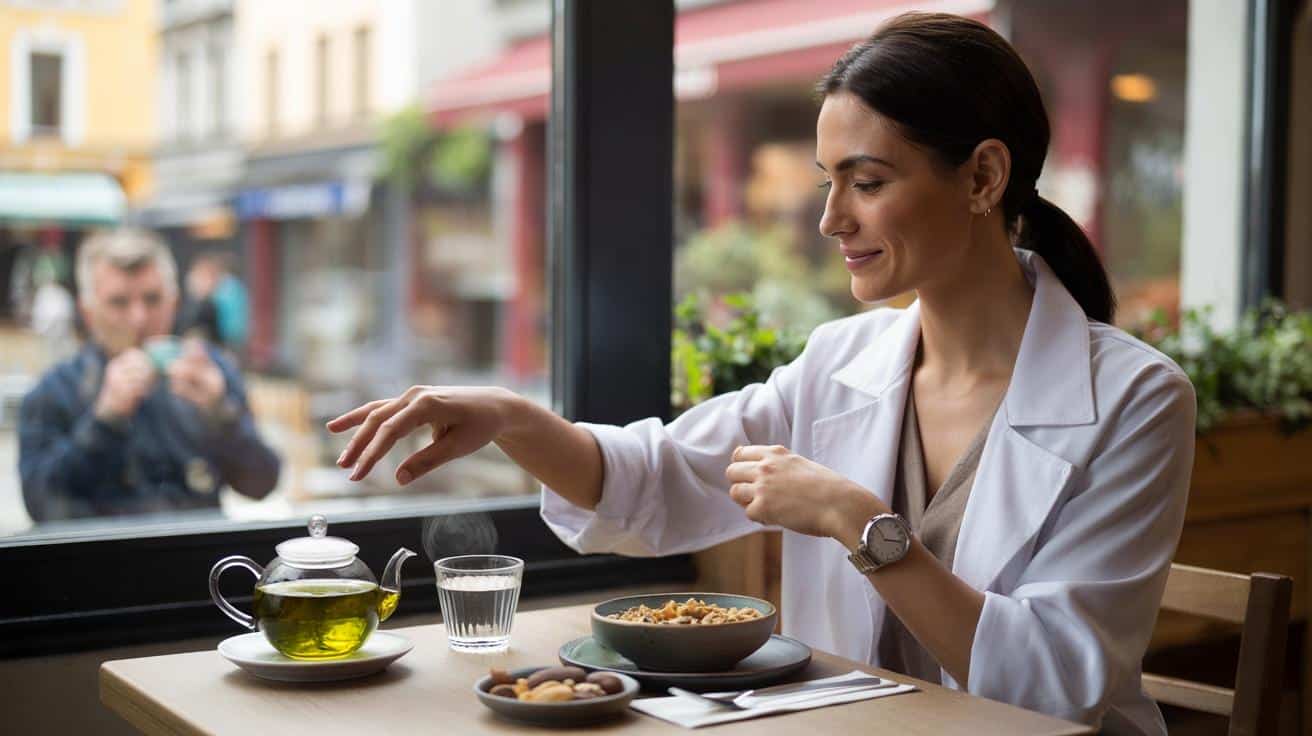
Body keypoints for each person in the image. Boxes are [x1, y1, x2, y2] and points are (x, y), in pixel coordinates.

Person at [327, 13, 1194, 735]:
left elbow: (1056, 681)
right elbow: (656, 479)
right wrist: (515, 419)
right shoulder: (841, 363)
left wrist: (860, 523)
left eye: (867, 181)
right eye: (828, 181)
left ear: (983, 176)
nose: (828, 219)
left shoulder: (1135, 400)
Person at [19, 229, 280, 522]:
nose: (139, 318)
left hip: (199, 558)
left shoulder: (209, 370)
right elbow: (41, 507)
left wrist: (220, 414)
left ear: (175, 302)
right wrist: (105, 420)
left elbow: (262, 484)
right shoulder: (55, 391)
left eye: (153, 299)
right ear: (88, 312)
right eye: (119, 302)